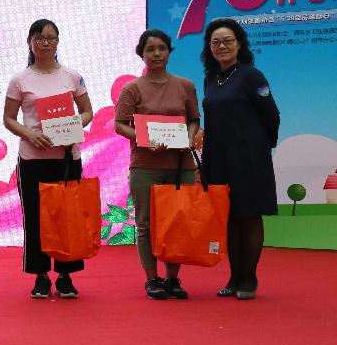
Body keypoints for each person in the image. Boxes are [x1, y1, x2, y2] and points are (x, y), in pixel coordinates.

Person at [4, 18, 94, 299]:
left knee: (68, 216)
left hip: (67, 157)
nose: (45, 43)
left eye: (51, 38)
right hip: (32, 158)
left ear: (57, 42)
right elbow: (9, 119)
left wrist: (72, 128)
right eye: (40, 38)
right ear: (30, 42)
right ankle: (40, 275)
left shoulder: (72, 76)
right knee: (35, 217)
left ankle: (66, 276)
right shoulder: (20, 80)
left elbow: (87, 112)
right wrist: (30, 135)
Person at [114, 29, 200, 300]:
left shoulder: (185, 85)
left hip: (181, 165)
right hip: (145, 165)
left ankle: (173, 278)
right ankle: (152, 279)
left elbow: (194, 120)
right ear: (142, 54)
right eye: (150, 49)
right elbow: (119, 124)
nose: (156, 54)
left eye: (161, 48)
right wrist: (143, 139)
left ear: (169, 51)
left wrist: (189, 137)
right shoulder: (132, 88)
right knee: (145, 223)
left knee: (178, 222)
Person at [200, 18, 280, 300]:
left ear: (239, 44)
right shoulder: (211, 79)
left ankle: (249, 277)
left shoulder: (252, 76)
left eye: (228, 41)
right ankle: (234, 276)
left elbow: (271, 115)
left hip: (249, 158)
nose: (221, 46)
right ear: (209, 48)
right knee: (230, 218)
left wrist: (260, 147)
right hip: (218, 157)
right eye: (215, 42)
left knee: (249, 215)